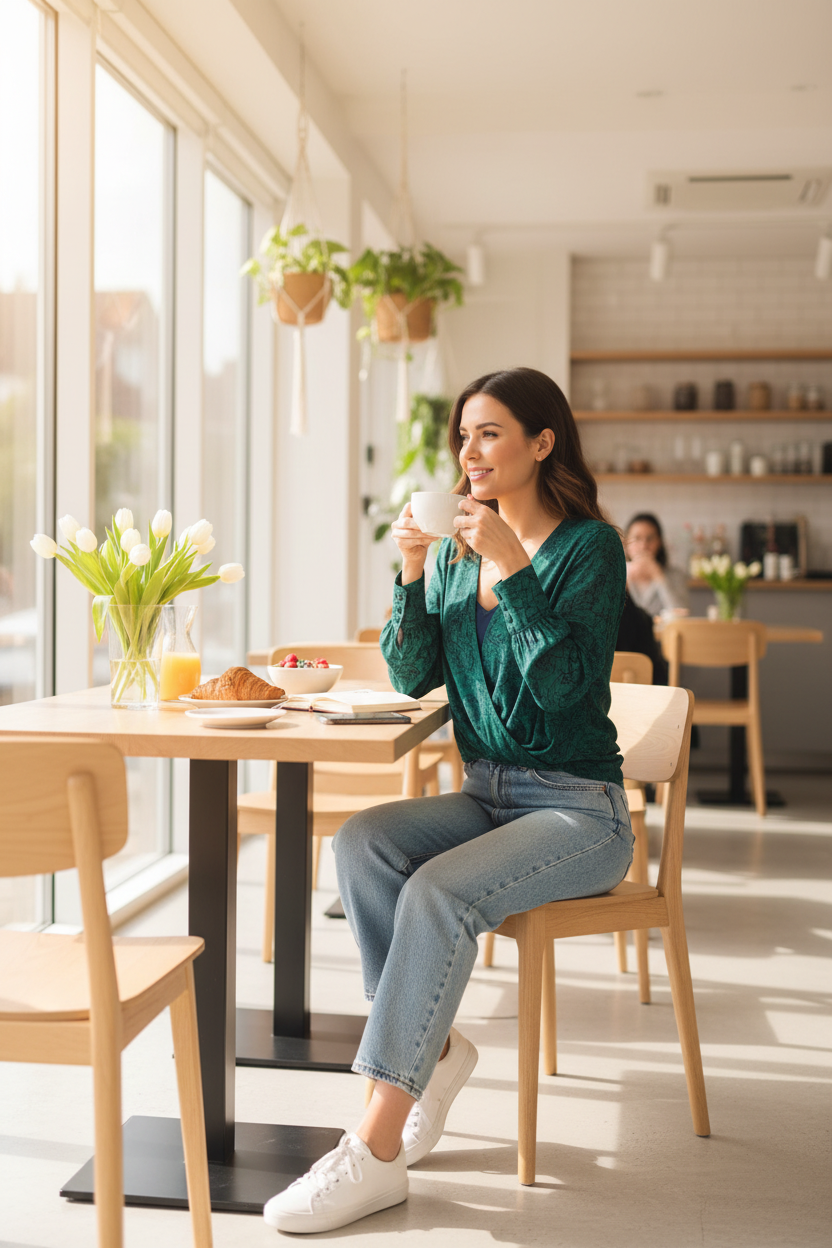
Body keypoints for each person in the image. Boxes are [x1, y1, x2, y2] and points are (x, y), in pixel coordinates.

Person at [264, 367, 634, 1235]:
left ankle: (373, 1150)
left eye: (490, 432)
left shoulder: (590, 549)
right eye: (463, 435)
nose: (470, 451)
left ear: (542, 442)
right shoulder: (455, 555)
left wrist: (515, 565)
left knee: (438, 893)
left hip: (580, 810)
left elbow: (565, 691)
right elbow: (410, 674)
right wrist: (410, 570)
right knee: (362, 844)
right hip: (486, 792)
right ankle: (428, 1052)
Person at [624, 512, 689, 618]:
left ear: (659, 542)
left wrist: (658, 576)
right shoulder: (618, 575)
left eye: (650, 539)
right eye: (637, 538)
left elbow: (682, 615)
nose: (643, 545)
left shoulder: (676, 575)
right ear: (627, 542)